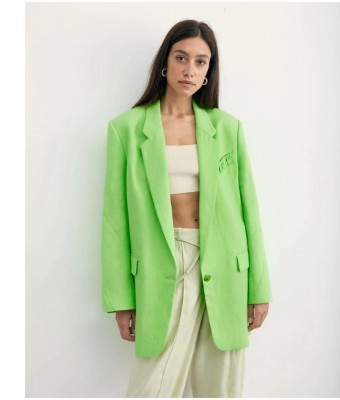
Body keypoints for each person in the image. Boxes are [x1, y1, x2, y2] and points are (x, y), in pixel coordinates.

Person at [101, 19, 273, 398]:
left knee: (220, 387)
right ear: (165, 62)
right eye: (181, 58)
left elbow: (249, 212)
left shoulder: (227, 128)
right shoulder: (126, 129)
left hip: (226, 264)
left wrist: (259, 289)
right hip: (162, 264)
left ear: (209, 70)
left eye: (200, 61)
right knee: (152, 387)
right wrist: (121, 300)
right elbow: (115, 222)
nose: (190, 70)